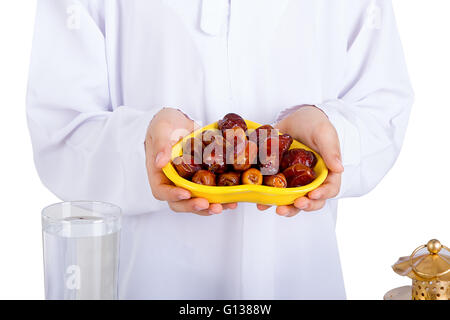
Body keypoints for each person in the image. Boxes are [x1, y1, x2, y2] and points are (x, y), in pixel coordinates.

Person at [27, 0, 413, 299]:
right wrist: (144, 147)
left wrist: (326, 140)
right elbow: (61, 128)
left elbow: (383, 105)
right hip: (154, 278)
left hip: (302, 274)